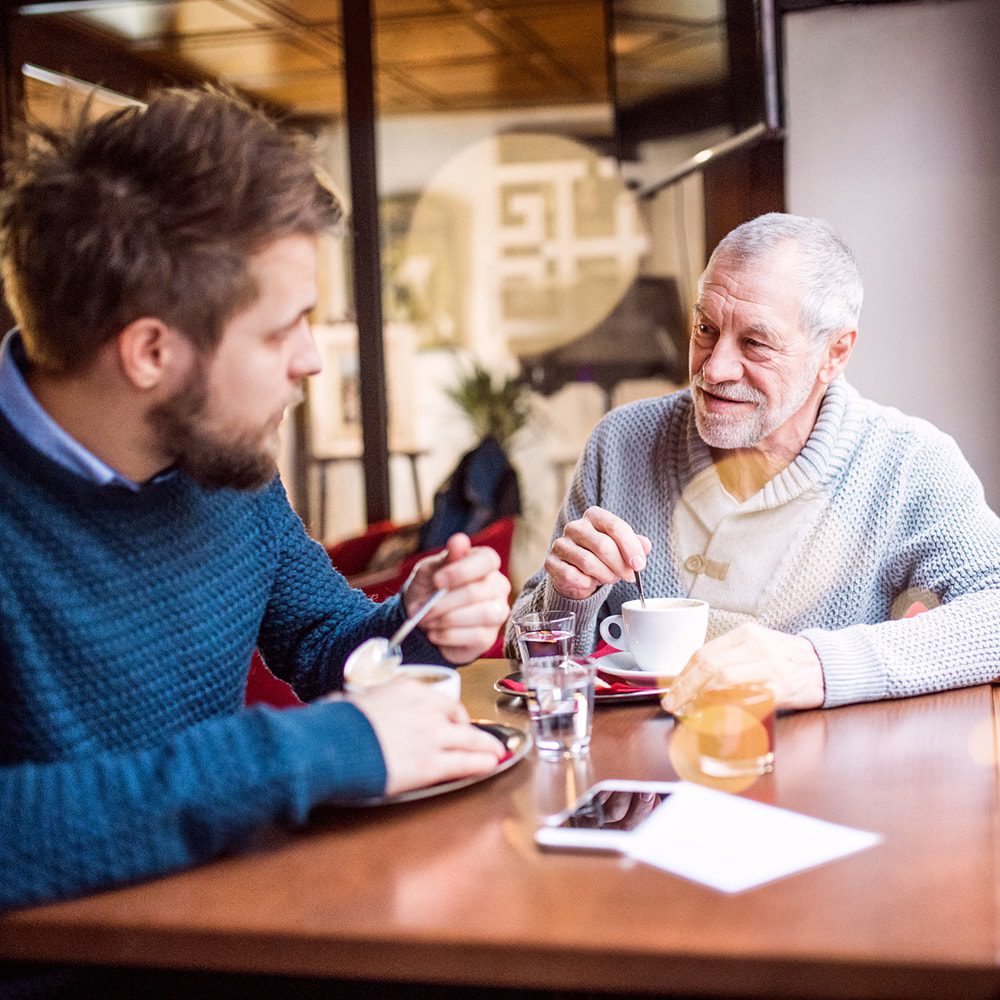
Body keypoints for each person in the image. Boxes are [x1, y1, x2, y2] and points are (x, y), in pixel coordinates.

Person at [0, 87, 511, 912]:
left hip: (240, 923)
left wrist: (414, 624)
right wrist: (309, 753)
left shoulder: (219, 457)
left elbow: (323, 641)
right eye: (284, 329)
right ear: (151, 351)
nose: (313, 360)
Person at [510, 212, 1000, 713]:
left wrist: (816, 667)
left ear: (834, 353)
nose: (714, 368)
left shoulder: (907, 463)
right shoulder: (620, 443)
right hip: (639, 778)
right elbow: (521, 653)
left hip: (815, 781)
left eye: (755, 343)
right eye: (706, 328)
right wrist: (567, 596)